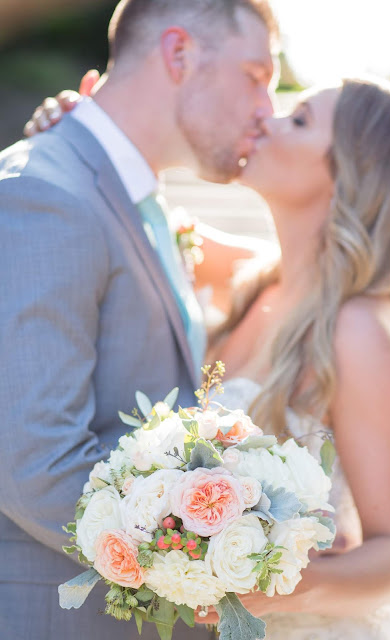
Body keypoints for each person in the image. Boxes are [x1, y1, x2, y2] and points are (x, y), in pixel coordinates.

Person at [0, 1, 278, 639]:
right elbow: (34, 462)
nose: (267, 107)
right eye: (256, 75)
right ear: (179, 54)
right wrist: (209, 560)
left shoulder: (137, 199)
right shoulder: (44, 192)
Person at [192, 77, 390, 638]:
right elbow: (135, 226)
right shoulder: (257, 282)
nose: (265, 121)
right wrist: (74, 124)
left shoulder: (359, 328)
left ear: (347, 170)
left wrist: (281, 589)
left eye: (297, 120)